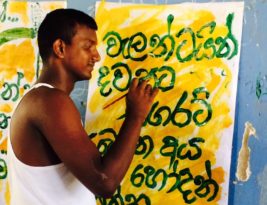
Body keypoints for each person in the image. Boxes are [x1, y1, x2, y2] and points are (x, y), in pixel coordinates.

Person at [7, 8, 158, 205]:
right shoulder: (49, 101)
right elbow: (105, 182)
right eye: (88, 46)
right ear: (60, 48)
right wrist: (136, 116)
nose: (97, 56)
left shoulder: (42, 99)